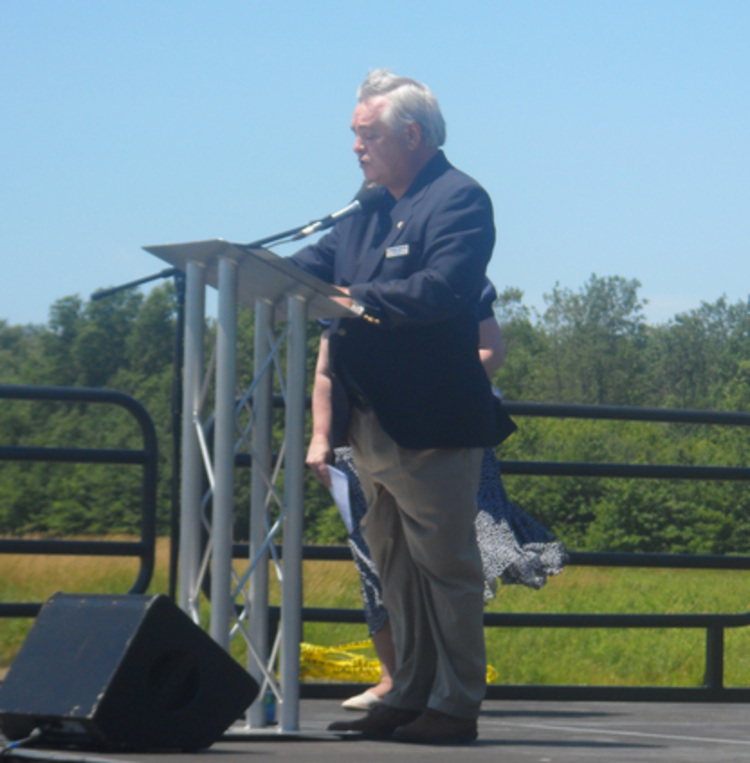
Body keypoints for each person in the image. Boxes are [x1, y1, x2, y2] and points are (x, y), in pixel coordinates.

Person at [289, 68, 516, 745]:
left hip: (431, 420)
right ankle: (410, 690)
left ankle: (455, 703)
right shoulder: (365, 208)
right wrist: (250, 270)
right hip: (370, 424)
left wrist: (354, 299)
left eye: (368, 134)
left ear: (411, 135)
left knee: (445, 567)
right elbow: (310, 265)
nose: (356, 146)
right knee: (393, 566)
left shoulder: (460, 198)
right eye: (355, 134)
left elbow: (444, 287)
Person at [308, 280, 566, 712]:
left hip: (442, 431)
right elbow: (326, 370)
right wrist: (321, 435)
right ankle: (395, 679)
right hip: (361, 436)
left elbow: (491, 350)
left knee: (449, 559)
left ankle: (449, 694)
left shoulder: (452, 280)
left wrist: (417, 393)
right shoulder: (345, 278)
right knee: (375, 561)